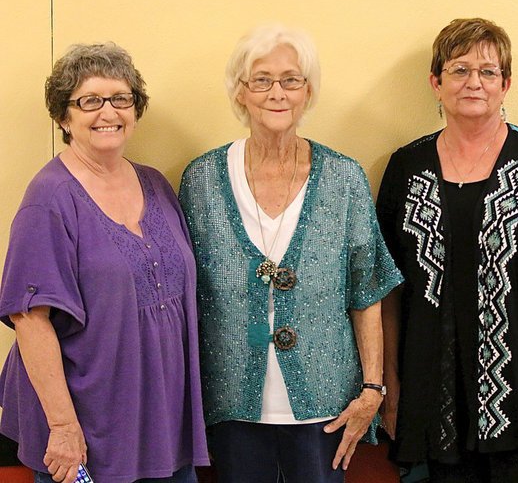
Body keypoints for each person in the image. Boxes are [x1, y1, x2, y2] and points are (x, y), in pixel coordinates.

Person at [178, 24, 403, 483]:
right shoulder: (200, 181)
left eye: (291, 80)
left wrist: (373, 390)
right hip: (231, 406)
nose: (276, 93)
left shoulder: (344, 179)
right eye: (261, 80)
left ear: (308, 92)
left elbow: (367, 290)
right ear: (240, 92)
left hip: (325, 406)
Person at [377, 18, 518, 483]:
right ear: (436, 83)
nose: (473, 82)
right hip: (433, 403)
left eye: (488, 71)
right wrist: (390, 384)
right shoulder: (405, 166)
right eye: (459, 70)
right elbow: (388, 289)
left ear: (506, 84)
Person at [0, 43, 209, 483]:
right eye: (89, 101)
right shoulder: (50, 199)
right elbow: (30, 319)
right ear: (63, 116)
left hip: (161, 424)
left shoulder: (155, 184)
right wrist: (62, 427)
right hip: (87, 428)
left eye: (120, 98)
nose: (107, 112)